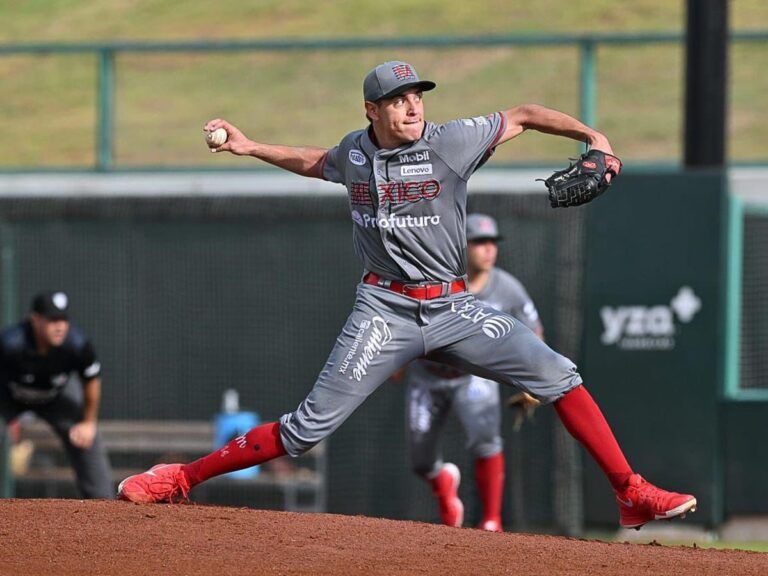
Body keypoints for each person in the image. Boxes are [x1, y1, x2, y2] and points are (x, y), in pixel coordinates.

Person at [119, 60, 696, 530]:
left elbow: (523, 114)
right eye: (398, 99)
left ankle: (630, 491)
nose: (413, 105)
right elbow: (321, 162)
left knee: (561, 375)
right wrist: (250, 148)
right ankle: (179, 479)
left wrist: (593, 136)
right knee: (304, 430)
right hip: (385, 309)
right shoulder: (355, 151)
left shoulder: (451, 142)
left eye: (417, 95)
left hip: (454, 306)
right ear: (372, 110)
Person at [404, 213, 543, 532]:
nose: (488, 249)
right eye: (479, 242)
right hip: (428, 376)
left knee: (486, 442)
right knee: (420, 461)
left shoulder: (508, 289)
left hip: (474, 376)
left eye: (492, 242)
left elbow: (535, 336)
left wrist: (535, 379)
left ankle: (491, 520)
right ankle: (443, 483)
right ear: (460, 246)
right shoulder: (434, 281)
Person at [0, 291, 112, 498]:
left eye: (63, 319)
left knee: (86, 436)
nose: (60, 326)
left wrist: (88, 422)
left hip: (56, 398)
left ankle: (104, 508)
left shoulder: (77, 344)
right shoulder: (10, 343)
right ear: (35, 320)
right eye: (52, 320)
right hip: (9, 397)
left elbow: (92, 381)